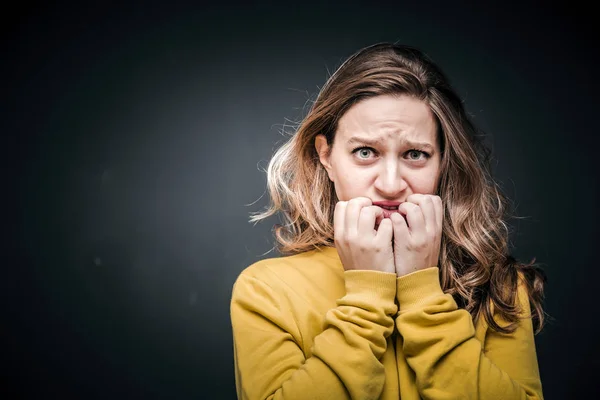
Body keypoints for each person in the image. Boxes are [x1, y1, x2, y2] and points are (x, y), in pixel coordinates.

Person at [230, 42, 546, 399]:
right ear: (326, 157)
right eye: (365, 153)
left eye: (415, 154)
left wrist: (423, 294)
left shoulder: (501, 287)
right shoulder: (266, 291)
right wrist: (366, 296)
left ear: (442, 162)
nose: (392, 185)